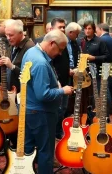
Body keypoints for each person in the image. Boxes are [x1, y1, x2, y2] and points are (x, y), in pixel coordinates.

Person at [22, 30, 74, 174]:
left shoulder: (31, 52)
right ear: (52, 43)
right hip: (42, 113)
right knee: (45, 153)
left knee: (28, 150)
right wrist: (62, 91)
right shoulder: (41, 63)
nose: (60, 53)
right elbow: (43, 95)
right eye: (61, 49)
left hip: (30, 110)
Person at [0, 19, 35, 93]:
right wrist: (2, 63)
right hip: (10, 91)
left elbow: (31, 75)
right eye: (6, 35)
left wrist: (12, 66)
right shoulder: (13, 44)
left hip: (22, 94)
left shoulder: (30, 48)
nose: (8, 38)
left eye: (11, 35)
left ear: (21, 33)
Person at [80, 21, 109, 92]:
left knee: (97, 93)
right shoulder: (81, 41)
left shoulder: (100, 41)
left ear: (93, 30)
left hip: (96, 73)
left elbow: (107, 56)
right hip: (83, 73)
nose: (87, 30)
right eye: (85, 28)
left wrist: (94, 58)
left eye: (89, 28)